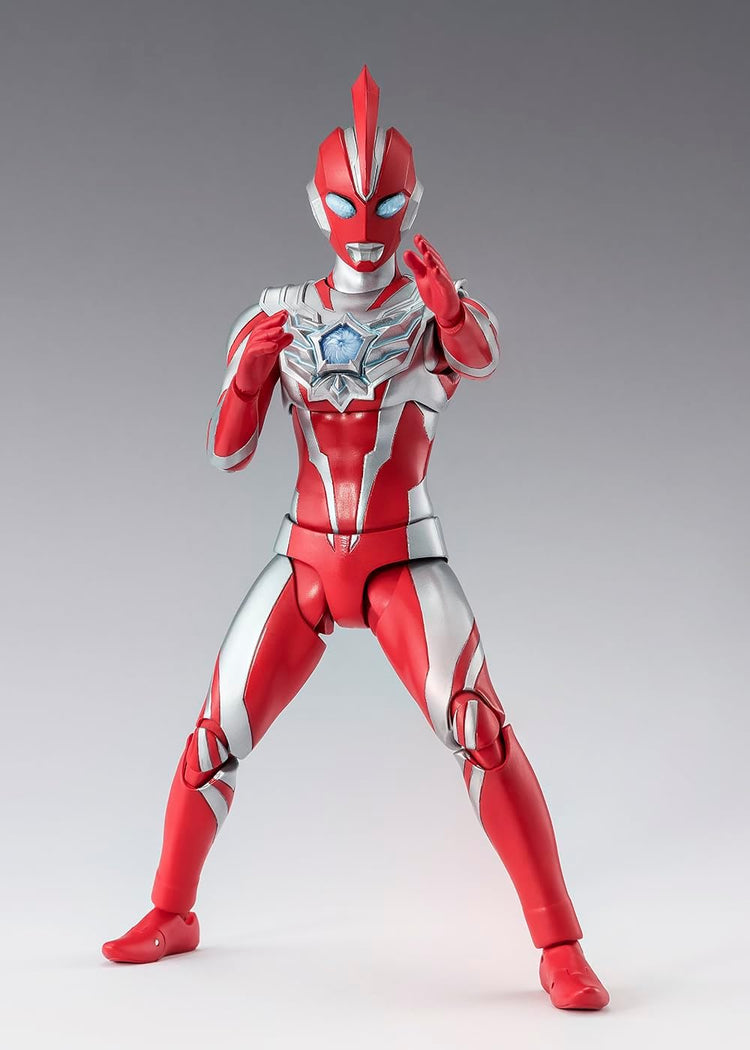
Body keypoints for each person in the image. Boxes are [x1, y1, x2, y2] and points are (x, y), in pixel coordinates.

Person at [103, 67, 609, 1011]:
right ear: (317, 205)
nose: (366, 226)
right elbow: (226, 452)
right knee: (213, 737)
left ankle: (560, 945)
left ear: (412, 206)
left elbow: (482, 357)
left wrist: (447, 306)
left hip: (399, 558)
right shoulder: (277, 314)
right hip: (304, 560)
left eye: (385, 206)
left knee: (478, 727)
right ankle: (170, 912)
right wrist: (249, 377)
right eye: (347, 205)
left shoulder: (430, 311)